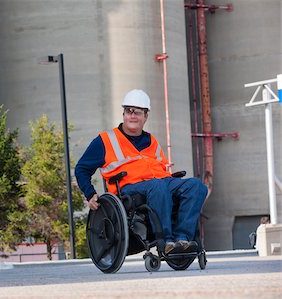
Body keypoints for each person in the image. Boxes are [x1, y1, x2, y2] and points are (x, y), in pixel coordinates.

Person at [75, 89, 207, 254]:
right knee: (158, 187)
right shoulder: (105, 140)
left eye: (137, 112)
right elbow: (81, 168)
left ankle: (183, 238)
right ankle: (165, 241)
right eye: (128, 111)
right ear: (123, 114)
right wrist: (90, 193)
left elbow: (161, 168)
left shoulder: (151, 140)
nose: (132, 116)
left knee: (196, 186)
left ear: (146, 116)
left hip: (161, 183)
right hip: (129, 189)